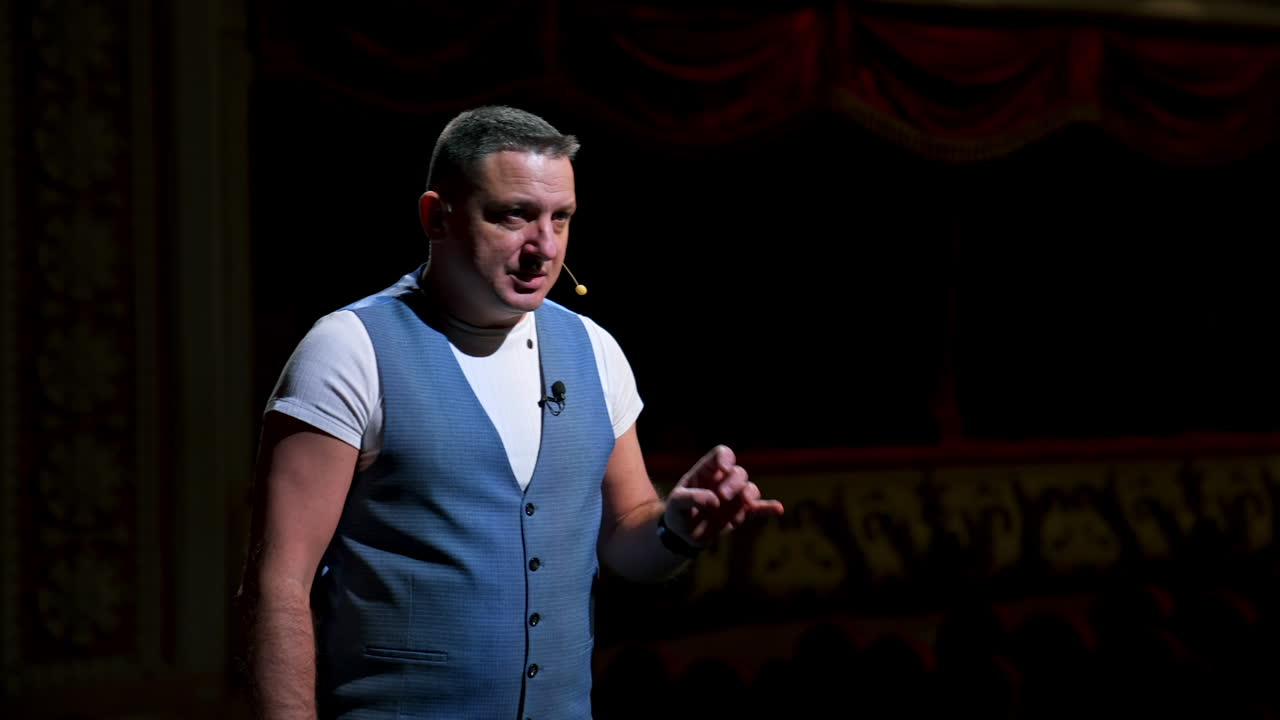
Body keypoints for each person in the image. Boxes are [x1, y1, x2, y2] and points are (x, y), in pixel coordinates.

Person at [239, 105, 785, 720]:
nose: (544, 248)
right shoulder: (349, 349)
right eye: (513, 216)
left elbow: (627, 529)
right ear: (436, 217)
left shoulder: (594, 351)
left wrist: (676, 529)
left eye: (561, 218)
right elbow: (277, 583)